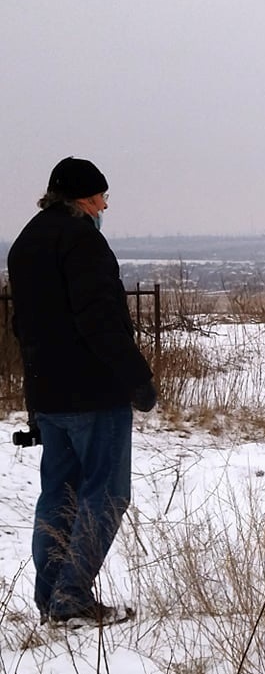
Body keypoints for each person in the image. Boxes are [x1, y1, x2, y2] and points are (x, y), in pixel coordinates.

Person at [7, 157, 157, 624]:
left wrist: (35, 398)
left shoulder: (26, 243)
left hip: (48, 394)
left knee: (59, 493)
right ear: (83, 198)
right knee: (106, 493)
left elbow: (23, 325)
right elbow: (101, 321)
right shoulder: (83, 242)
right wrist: (137, 378)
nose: (105, 204)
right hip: (94, 393)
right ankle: (70, 600)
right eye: (101, 196)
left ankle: (51, 597)